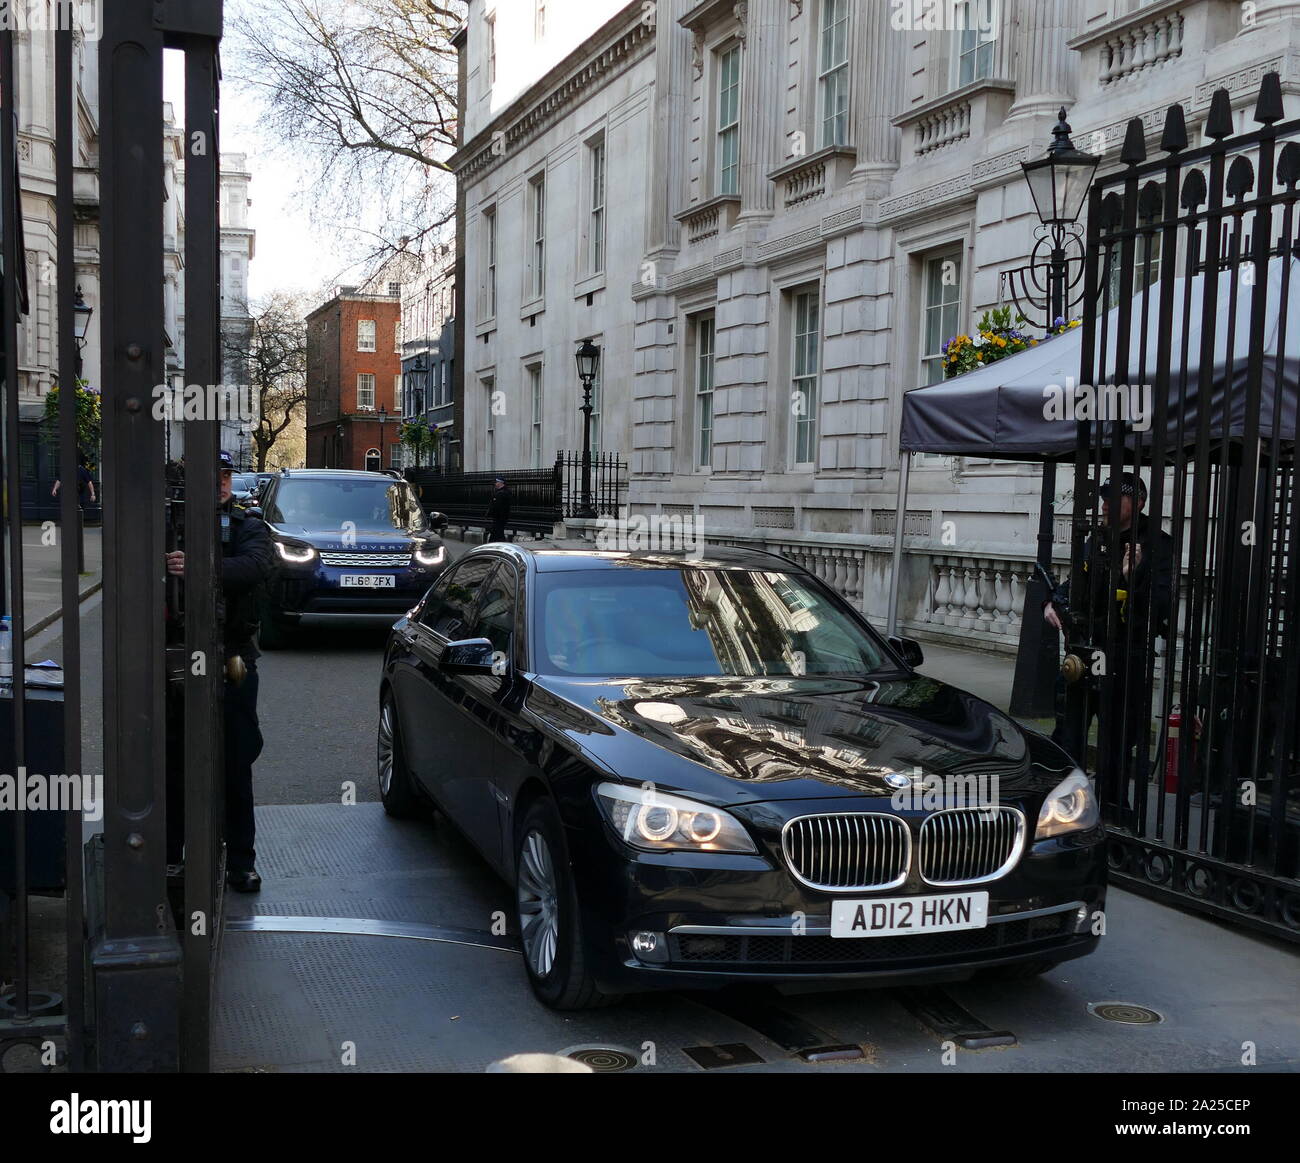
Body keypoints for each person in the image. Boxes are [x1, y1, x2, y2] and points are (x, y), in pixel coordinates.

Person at [165, 450, 274, 892]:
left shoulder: (249, 525)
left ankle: (240, 860)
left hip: (232, 655)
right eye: (214, 474)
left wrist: (197, 567)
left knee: (235, 760)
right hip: (174, 654)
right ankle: (172, 858)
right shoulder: (169, 524)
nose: (223, 482)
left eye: (226, 474)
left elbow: (257, 566)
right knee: (174, 762)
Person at [1044, 471, 1174, 786]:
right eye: (1104, 498)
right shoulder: (1097, 537)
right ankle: (1069, 806)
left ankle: (1115, 807)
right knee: (1069, 734)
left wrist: (1133, 577)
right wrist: (1052, 602)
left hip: (1125, 654)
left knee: (1118, 739)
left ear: (1138, 502)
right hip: (1085, 650)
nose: (1105, 505)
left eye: (1114, 498)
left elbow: (1161, 606)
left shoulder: (1157, 544)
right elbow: (1076, 583)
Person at [486, 476, 511, 543]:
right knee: (497, 533)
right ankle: (494, 544)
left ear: (501, 483)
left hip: (500, 517)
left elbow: (499, 506)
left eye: (496, 482)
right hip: (498, 517)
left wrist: (492, 512)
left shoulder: (503, 493)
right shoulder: (499, 492)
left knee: (497, 533)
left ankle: (494, 545)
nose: (495, 484)